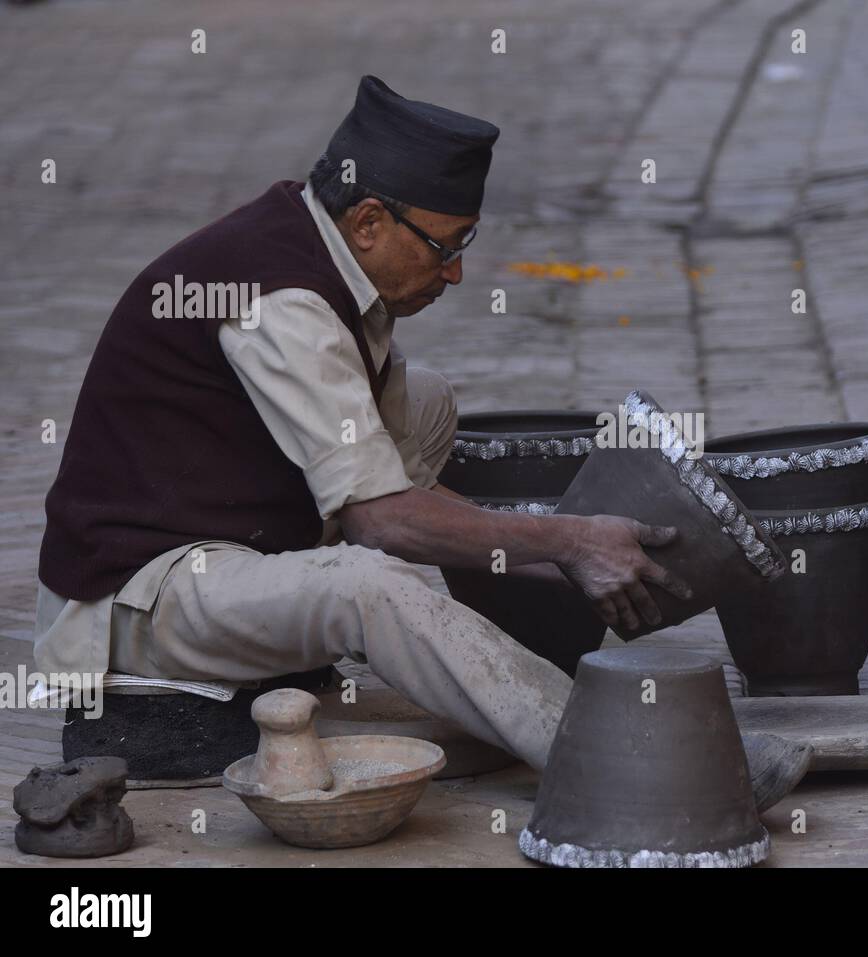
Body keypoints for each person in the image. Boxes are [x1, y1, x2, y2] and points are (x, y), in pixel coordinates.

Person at [33, 76, 690, 770]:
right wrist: (570, 541)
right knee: (368, 582)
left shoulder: (321, 244)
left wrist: (547, 560)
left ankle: (425, 632)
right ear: (370, 222)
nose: (458, 272)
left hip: (231, 537)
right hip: (139, 599)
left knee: (427, 400)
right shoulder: (281, 301)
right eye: (445, 246)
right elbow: (382, 522)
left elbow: (400, 489)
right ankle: (618, 758)